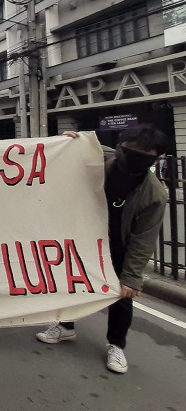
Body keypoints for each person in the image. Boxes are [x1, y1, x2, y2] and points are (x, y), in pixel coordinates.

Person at [35, 124, 168, 374]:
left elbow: (144, 238)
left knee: (120, 295)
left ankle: (116, 344)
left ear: (156, 158)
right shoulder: (102, 158)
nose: (131, 159)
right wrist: (67, 143)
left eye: (142, 156)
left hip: (119, 244)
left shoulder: (154, 194)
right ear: (119, 147)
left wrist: (132, 277)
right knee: (73, 283)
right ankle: (65, 326)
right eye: (127, 152)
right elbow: (80, 149)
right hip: (86, 236)